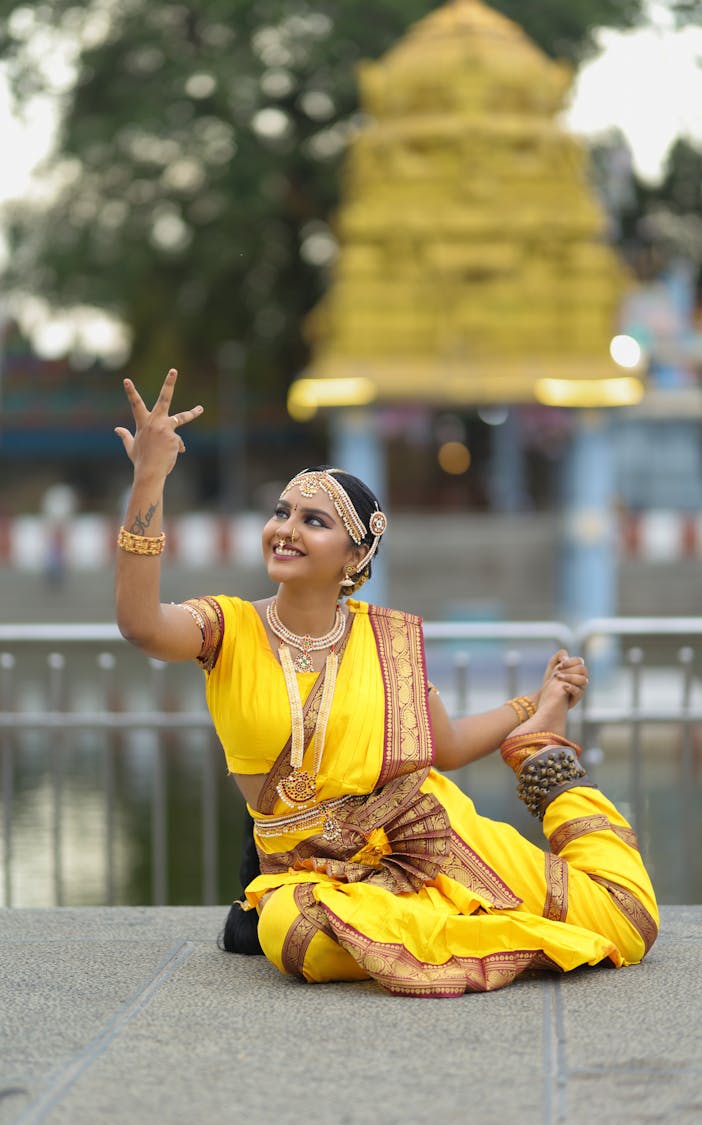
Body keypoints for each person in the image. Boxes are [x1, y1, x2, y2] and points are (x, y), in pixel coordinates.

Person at [114, 369, 658, 998]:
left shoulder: (387, 639)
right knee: (300, 940)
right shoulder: (228, 627)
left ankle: (544, 759)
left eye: (313, 520)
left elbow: (445, 747)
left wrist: (535, 706)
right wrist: (149, 475)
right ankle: (470, 926)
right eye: (281, 512)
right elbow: (141, 625)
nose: (286, 528)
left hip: (423, 830)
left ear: (354, 559)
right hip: (308, 874)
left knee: (628, 921)